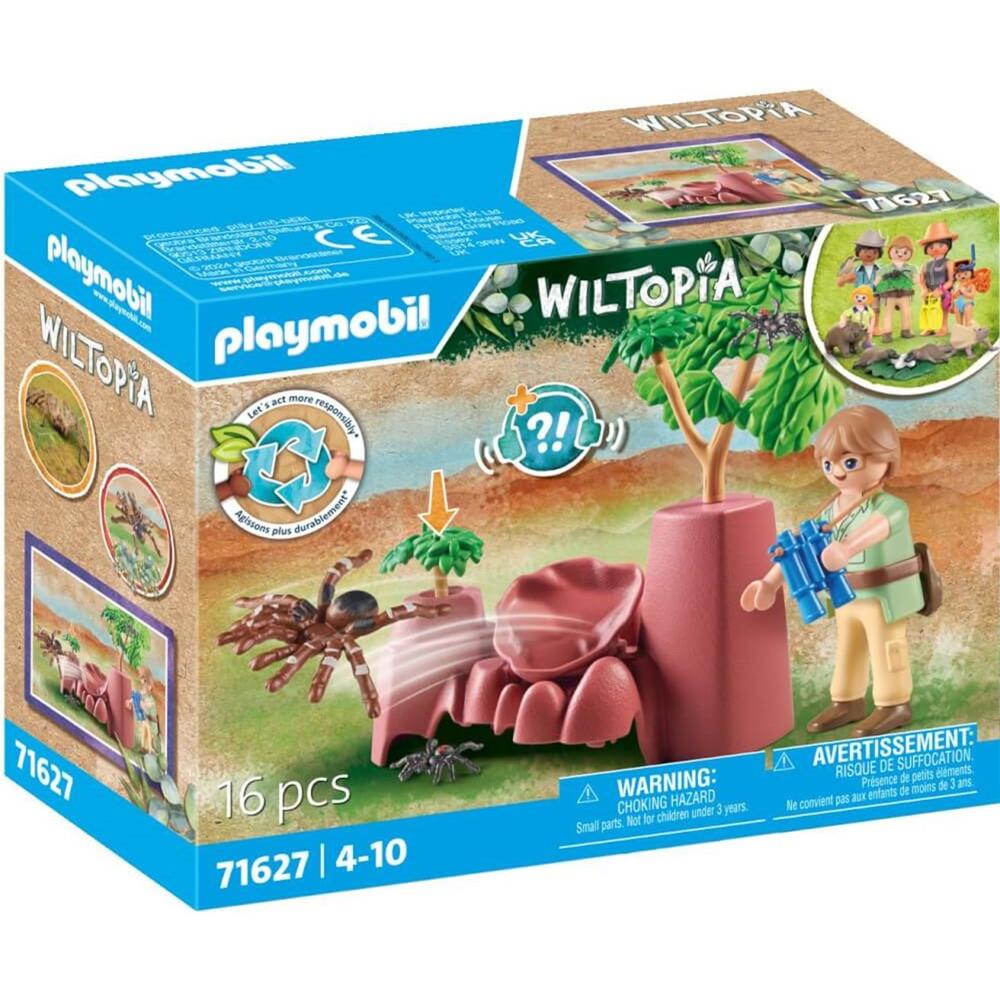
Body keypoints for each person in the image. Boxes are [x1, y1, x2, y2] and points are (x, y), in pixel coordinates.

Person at [741, 406, 925, 738]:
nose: (837, 472)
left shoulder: (889, 506)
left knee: (887, 647)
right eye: (829, 464)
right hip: (847, 596)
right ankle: (847, 701)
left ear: (885, 459)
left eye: (850, 462)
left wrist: (848, 547)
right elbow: (800, 549)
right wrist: (770, 583)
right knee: (849, 648)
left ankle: (894, 704)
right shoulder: (830, 510)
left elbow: (877, 527)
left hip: (884, 596)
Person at [917, 221, 958, 335]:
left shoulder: (949, 263)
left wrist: (941, 289)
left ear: (948, 245)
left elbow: (951, 280)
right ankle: (929, 326)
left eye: (940, 245)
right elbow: (921, 279)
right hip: (929, 291)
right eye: (931, 246)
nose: (935, 249)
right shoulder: (925, 265)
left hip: (943, 290)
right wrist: (923, 289)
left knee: (942, 307)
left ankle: (943, 326)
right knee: (928, 308)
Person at [874, 235, 916, 342]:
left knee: (906, 312)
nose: (900, 254)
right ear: (890, 252)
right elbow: (877, 280)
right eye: (896, 251)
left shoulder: (910, 268)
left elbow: (916, 279)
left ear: (910, 254)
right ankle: (887, 332)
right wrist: (879, 284)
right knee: (888, 313)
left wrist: (915, 280)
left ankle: (906, 330)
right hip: (890, 294)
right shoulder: (885, 269)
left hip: (904, 294)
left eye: (905, 252)